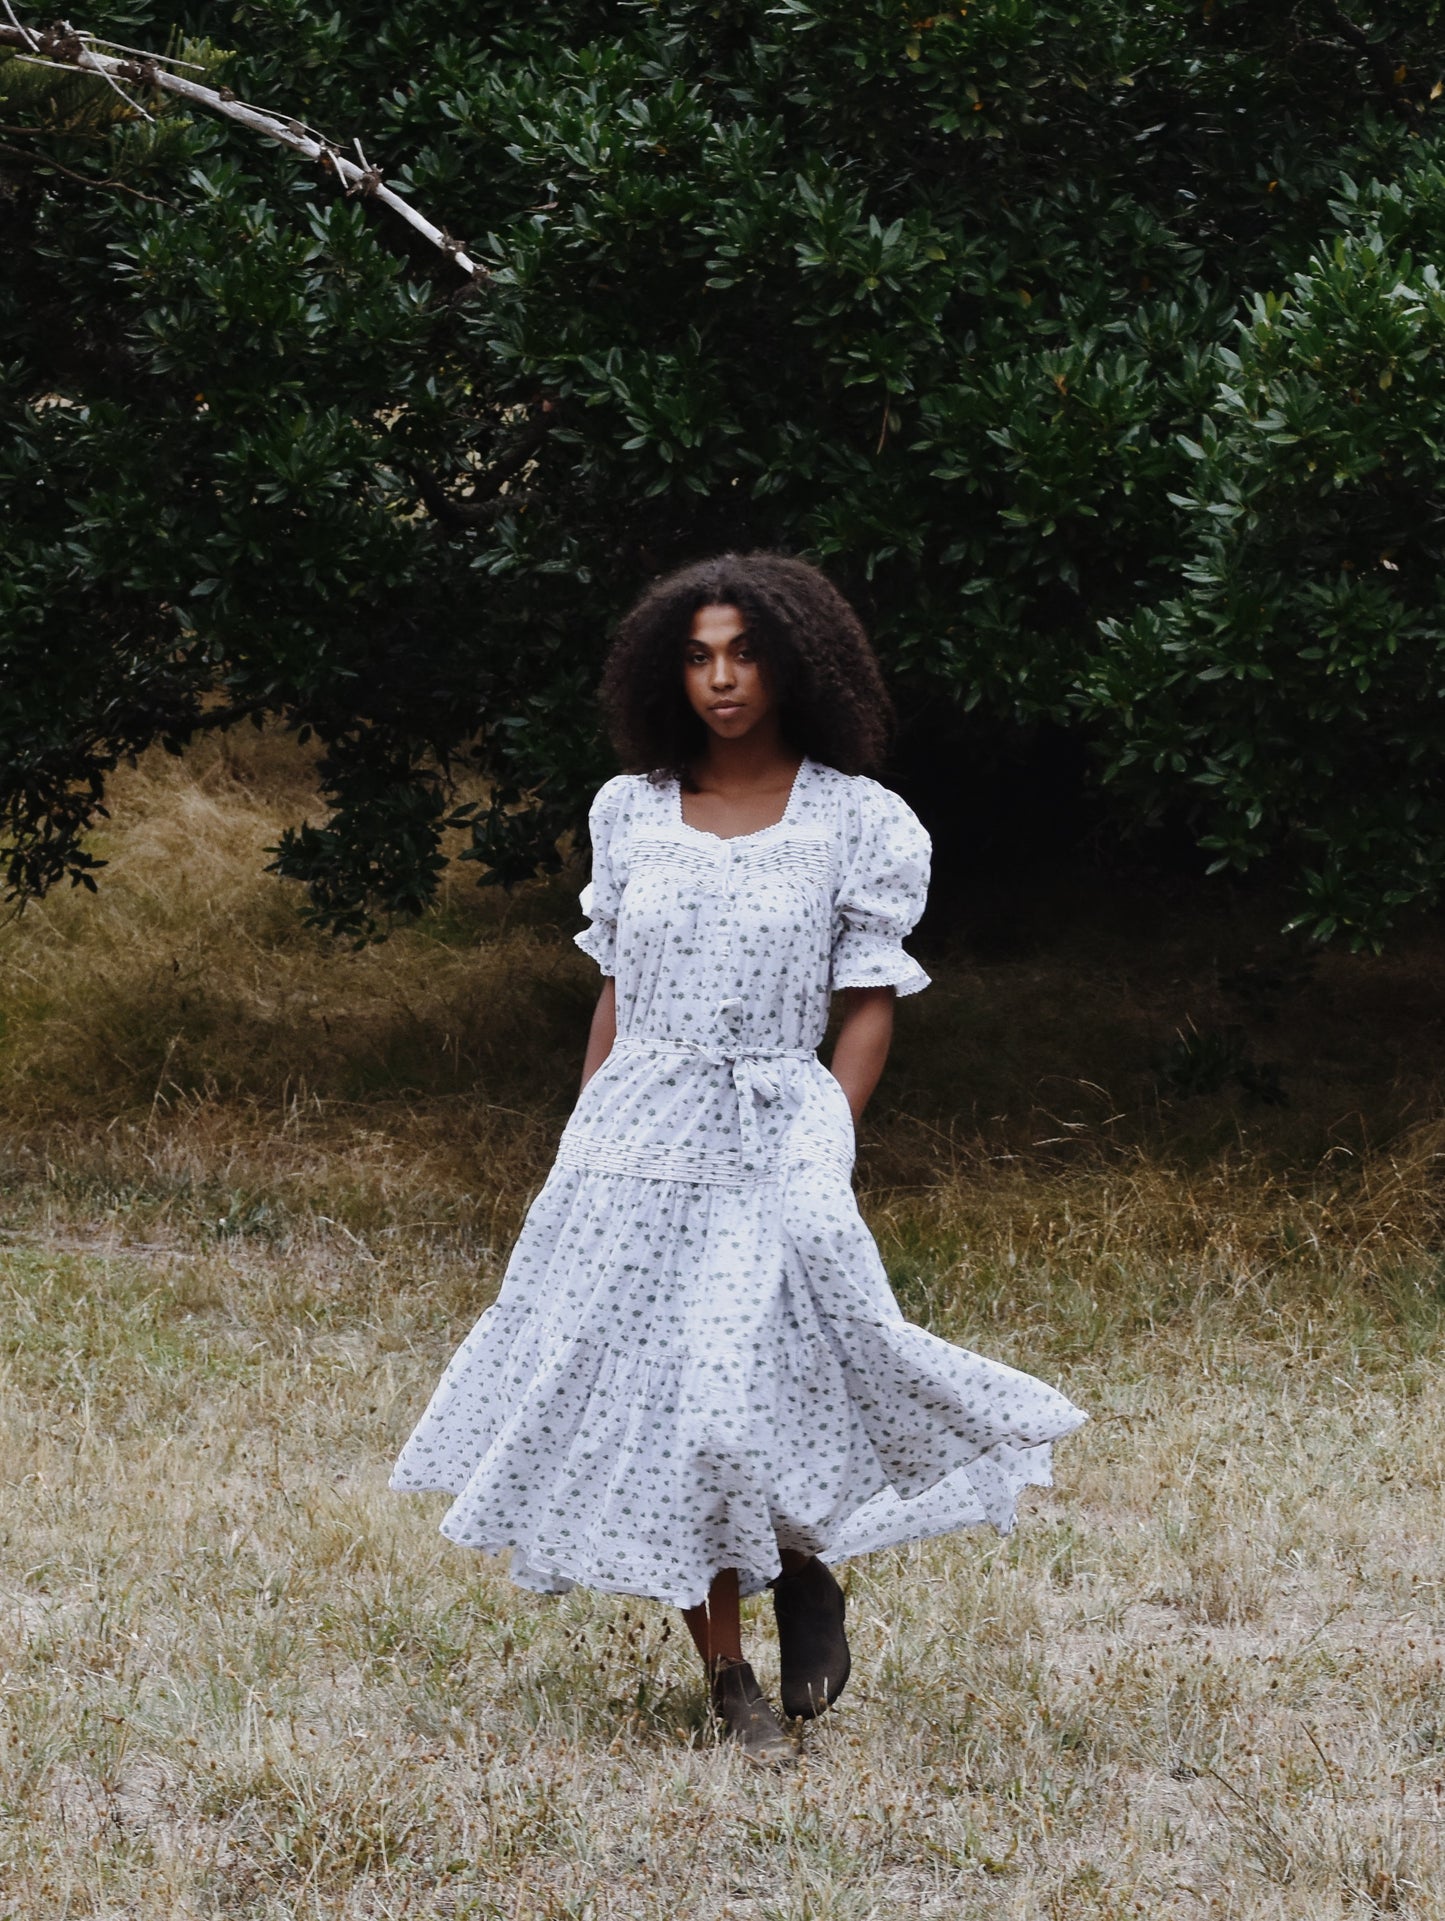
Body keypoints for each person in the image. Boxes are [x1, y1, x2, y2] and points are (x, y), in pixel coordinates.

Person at [391, 552, 1086, 1765]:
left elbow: (867, 997)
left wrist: (828, 1131)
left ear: (794, 664)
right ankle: (729, 1684)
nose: (720, 677)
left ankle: (805, 1566)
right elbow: (615, 986)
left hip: (776, 1126)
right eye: (699, 654)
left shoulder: (855, 820)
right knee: (662, 1413)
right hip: (633, 1135)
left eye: (745, 652)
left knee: (749, 1383)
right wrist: (583, 1131)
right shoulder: (628, 809)